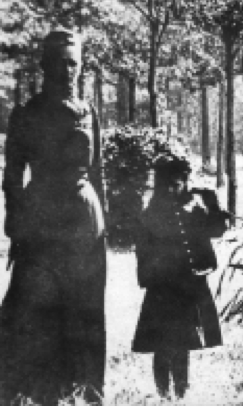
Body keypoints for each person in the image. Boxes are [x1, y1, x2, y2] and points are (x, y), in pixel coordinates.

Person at [0, 28, 107, 404]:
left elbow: (98, 173)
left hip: (83, 221)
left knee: (86, 305)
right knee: (34, 305)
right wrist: (15, 227)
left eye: (72, 62)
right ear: (43, 65)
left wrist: (104, 222)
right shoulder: (26, 115)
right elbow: (11, 177)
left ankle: (85, 387)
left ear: (81, 66)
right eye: (58, 62)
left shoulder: (89, 112)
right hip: (42, 219)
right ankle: (33, 389)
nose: (66, 70)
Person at [132, 154, 228, 400]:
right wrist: (150, 277)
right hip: (163, 290)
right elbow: (143, 250)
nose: (172, 190)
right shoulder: (151, 214)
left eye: (178, 184)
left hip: (189, 287)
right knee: (162, 344)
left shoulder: (194, 208)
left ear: (185, 182)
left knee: (185, 342)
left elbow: (216, 231)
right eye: (168, 185)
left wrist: (213, 203)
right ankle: (164, 394)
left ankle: (182, 392)